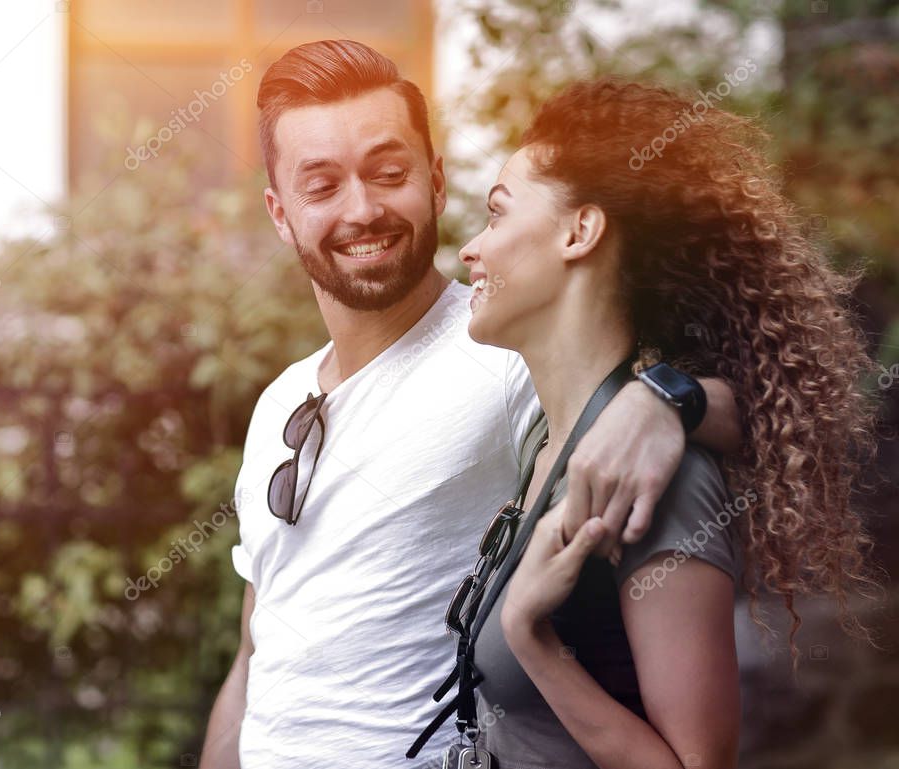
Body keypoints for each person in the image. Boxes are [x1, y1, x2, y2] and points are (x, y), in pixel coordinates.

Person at [199, 42, 742, 769]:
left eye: (388, 174)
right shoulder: (276, 405)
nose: (362, 208)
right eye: (321, 185)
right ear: (280, 212)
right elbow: (255, 654)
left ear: (435, 180)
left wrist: (664, 401)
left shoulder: (506, 344)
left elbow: (764, 419)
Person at [434, 78, 880, 769]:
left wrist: (531, 638)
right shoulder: (547, 442)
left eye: (496, 214)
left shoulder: (658, 477)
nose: (471, 248)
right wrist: (666, 395)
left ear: (580, 232)